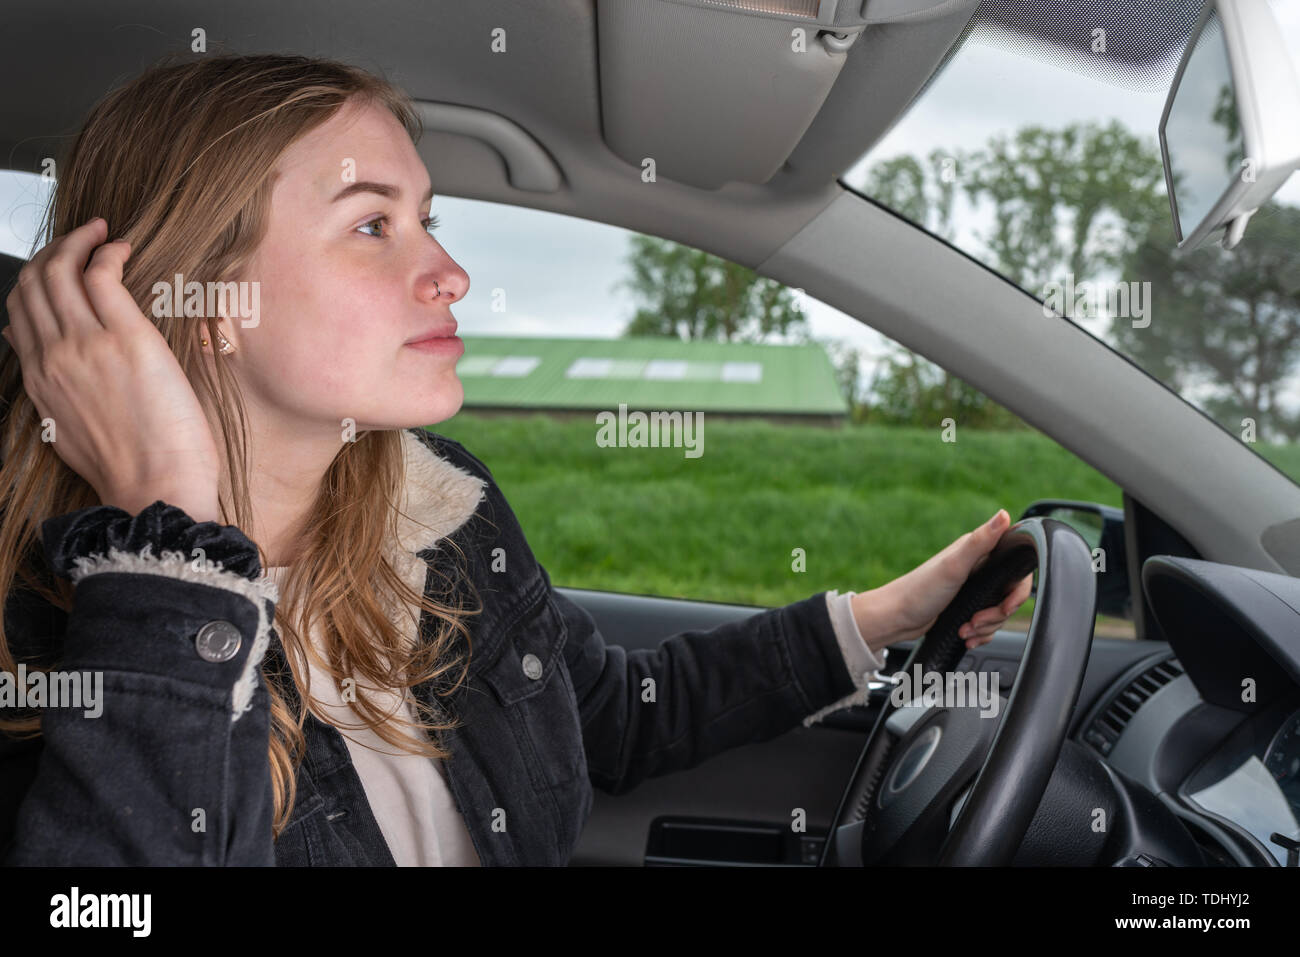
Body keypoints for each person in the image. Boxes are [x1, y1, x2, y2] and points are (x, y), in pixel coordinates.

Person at [0, 53, 1031, 866]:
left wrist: (879, 619)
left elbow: (612, 720)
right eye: (372, 224)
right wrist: (166, 547)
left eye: (428, 221)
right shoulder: (46, 637)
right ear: (207, 298)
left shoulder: (434, 506)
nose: (450, 273)